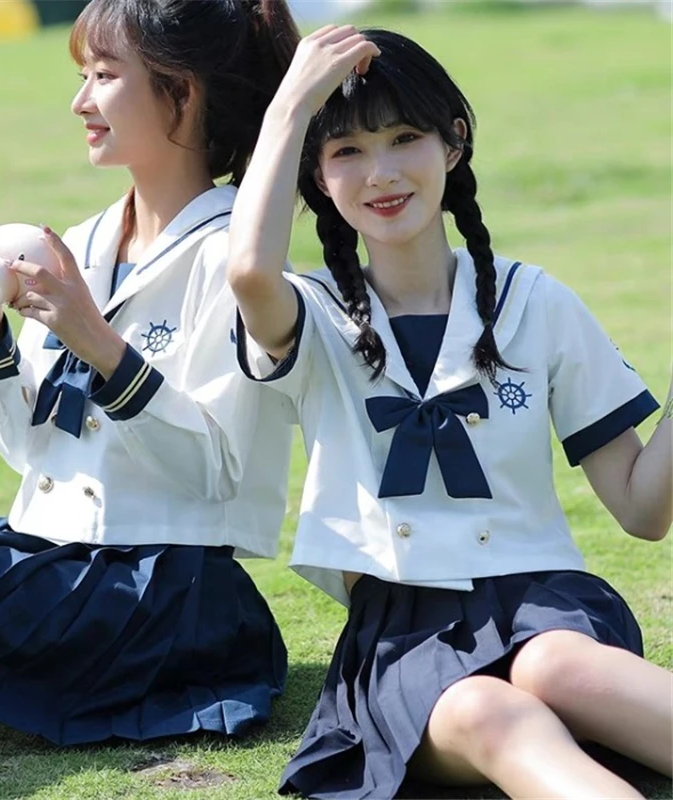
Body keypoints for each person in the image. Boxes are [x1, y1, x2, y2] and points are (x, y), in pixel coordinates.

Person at [227, 25, 673, 799]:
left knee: (556, 665)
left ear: (454, 144)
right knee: (484, 710)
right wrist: (289, 105)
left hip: (549, 604)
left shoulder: (537, 303)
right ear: (317, 175)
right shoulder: (315, 316)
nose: (383, 172)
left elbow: (641, 508)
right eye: (347, 152)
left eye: (405, 138)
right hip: (402, 632)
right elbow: (246, 271)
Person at [0, 0, 300, 747]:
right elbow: (31, 454)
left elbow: (215, 472)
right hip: (56, 559)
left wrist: (95, 339)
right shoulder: (81, 242)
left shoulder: (238, 258)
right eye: (82, 76)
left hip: (163, 599)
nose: (79, 101)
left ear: (183, 90)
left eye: (104, 76)